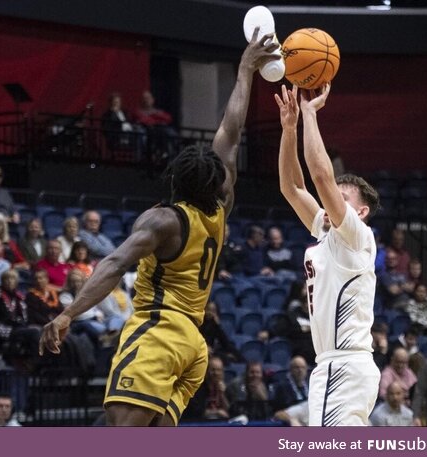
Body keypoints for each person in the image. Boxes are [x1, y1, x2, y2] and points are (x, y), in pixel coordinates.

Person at [39, 30, 279, 426]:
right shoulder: (221, 206)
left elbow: (115, 264)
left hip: (159, 332)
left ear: (176, 179)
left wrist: (68, 315)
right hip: (192, 348)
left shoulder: (165, 220)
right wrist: (244, 70)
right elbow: (231, 132)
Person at [275, 84, 381, 426]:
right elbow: (292, 188)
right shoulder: (327, 231)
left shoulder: (356, 234)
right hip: (341, 366)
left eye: (342, 196)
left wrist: (310, 113)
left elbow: (320, 176)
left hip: (344, 365)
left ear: (361, 211)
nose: (333, 197)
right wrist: (289, 129)